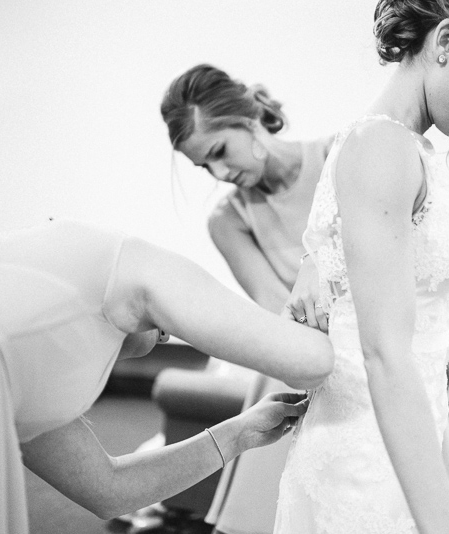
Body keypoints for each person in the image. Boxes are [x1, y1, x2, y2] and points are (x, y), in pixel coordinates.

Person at [275, 1, 449, 533]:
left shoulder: (395, 144)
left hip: (393, 433)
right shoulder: (381, 146)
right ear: (446, 41)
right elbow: (386, 355)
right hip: (368, 448)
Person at [0, 219, 334, 534]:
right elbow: (309, 361)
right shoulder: (139, 264)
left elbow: (107, 490)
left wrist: (239, 433)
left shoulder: (37, 354)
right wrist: (316, 258)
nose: (170, 333)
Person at [160, 64, 333, 534]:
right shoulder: (227, 219)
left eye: (219, 152)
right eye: (203, 166)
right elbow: (276, 310)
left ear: (247, 119)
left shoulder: (340, 157)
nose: (219, 173)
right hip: (295, 359)